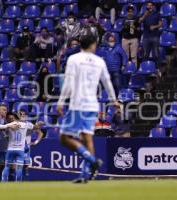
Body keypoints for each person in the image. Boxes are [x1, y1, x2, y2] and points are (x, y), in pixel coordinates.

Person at [56, 35, 119, 183]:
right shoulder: (99, 61)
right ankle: (86, 175)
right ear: (92, 45)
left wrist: (60, 101)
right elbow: (107, 82)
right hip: (92, 105)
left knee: (64, 138)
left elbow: (69, 82)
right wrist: (113, 100)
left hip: (78, 104)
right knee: (87, 138)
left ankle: (92, 160)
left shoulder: (74, 59)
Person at [1, 112, 32, 182]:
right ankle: (18, 184)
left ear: (14, 117)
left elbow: (2, 129)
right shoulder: (26, 124)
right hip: (20, 150)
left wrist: (6, 133)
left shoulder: (10, 124)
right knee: (19, 168)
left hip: (10, 149)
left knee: (6, 167)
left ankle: (3, 183)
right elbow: (35, 127)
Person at [17, 110, 44, 181]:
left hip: (26, 149)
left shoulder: (29, 125)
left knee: (26, 167)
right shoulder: (15, 124)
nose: (23, 116)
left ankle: (24, 182)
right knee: (17, 166)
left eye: (24, 115)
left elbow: (40, 133)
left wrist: (36, 142)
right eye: (21, 115)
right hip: (17, 148)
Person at [139, 2, 162, 66]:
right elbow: (139, 21)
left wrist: (154, 26)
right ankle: (145, 69)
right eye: (148, 5)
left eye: (151, 5)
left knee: (156, 54)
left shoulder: (157, 14)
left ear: (153, 6)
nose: (149, 7)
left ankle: (157, 69)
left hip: (155, 36)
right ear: (146, 7)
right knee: (145, 54)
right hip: (146, 36)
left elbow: (160, 24)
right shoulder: (144, 13)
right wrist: (144, 16)